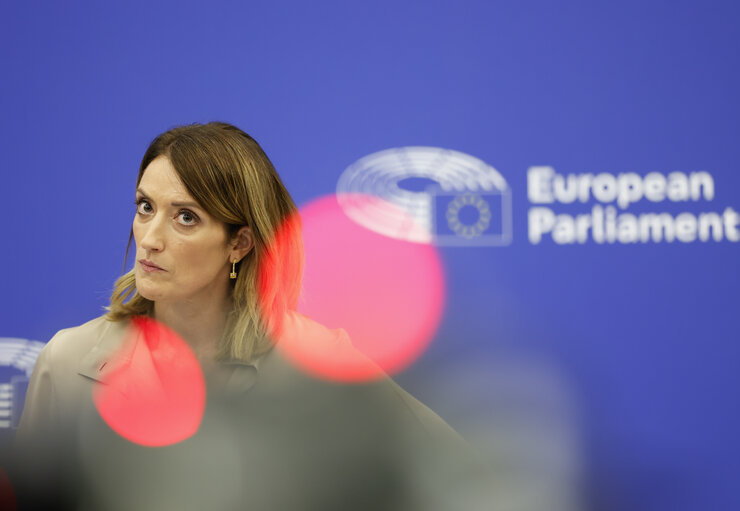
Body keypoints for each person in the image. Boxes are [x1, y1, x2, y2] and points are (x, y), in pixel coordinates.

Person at [11, 122, 502, 510]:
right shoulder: (67, 360)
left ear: (239, 244)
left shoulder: (317, 363)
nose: (151, 237)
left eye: (186, 217)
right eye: (145, 207)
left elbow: (463, 476)